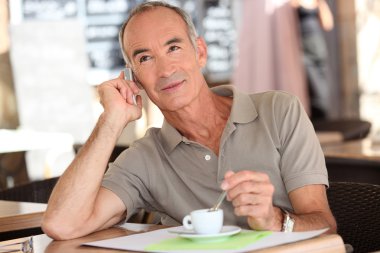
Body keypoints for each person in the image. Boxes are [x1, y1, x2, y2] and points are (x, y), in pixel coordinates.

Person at [42, 1, 336, 240]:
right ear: (135, 78)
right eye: (145, 58)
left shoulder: (280, 111)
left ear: (201, 52)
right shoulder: (145, 159)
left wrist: (273, 219)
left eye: (173, 48)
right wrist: (111, 120)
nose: (166, 70)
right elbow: (62, 225)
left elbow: (325, 225)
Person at [292, 0, 334, 119]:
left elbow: (327, 24)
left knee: (322, 85)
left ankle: (323, 117)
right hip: (301, 47)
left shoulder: (317, 2)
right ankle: (313, 120)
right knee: (310, 85)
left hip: (316, 46)